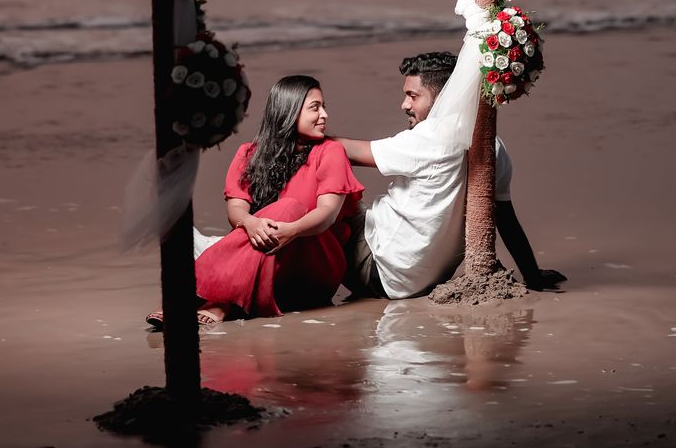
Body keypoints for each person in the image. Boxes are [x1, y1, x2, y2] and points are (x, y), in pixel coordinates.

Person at [335, 51, 566, 300]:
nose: (404, 104)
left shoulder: (431, 136)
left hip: (377, 270)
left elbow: (341, 152)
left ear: (445, 97)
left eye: (413, 96)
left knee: (321, 179)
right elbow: (506, 220)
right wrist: (533, 275)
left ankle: (302, 295)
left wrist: (295, 129)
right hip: (424, 280)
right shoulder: (493, 147)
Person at [149, 75, 364, 330]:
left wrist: (290, 231)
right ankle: (217, 297)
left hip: (315, 267)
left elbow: (327, 213)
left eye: (323, 106)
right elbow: (236, 210)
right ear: (288, 110)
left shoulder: (330, 152)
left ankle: (210, 299)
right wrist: (250, 223)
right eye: (315, 108)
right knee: (260, 220)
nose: (325, 115)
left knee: (290, 208)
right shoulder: (249, 153)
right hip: (270, 266)